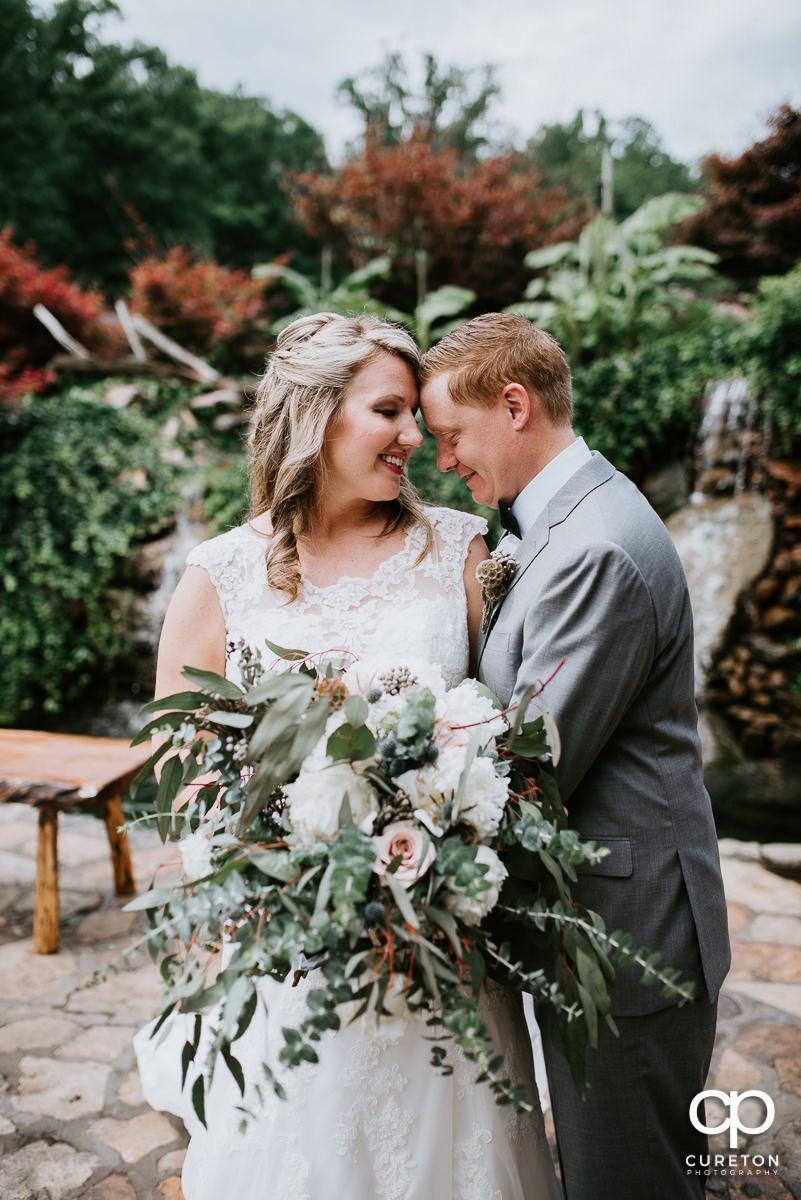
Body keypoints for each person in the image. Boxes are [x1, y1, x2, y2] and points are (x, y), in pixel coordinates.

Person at [135, 312, 561, 1200]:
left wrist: (448, 835)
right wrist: (279, 870)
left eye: (415, 415)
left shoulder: (460, 549)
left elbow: (506, 728)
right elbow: (183, 773)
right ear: (313, 414)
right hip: (295, 951)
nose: (416, 437)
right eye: (390, 411)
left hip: (440, 947)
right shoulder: (222, 574)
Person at [419, 312, 731, 1200]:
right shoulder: (558, 518)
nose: (445, 460)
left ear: (513, 405)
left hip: (627, 937)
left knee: (625, 1180)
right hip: (598, 922)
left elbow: (529, 764)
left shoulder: (595, 549)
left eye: (452, 435)